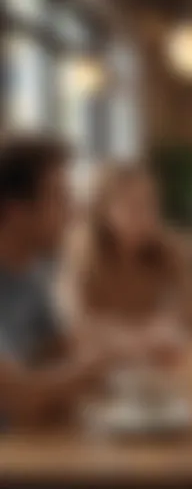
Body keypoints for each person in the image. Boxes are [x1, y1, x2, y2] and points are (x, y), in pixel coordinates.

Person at [56, 164, 192, 366]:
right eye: (133, 205)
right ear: (104, 212)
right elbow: (72, 323)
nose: (147, 215)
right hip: (100, 369)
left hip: (157, 365)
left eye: (151, 204)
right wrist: (131, 336)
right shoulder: (82, 250)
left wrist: (171, 324)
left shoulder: (171, 247)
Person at [0, 134, 107, 426]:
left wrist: (91, 360)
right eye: (60, 198)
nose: (74, 211)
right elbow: (20, 398)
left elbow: (62, 351)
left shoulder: (31, 272)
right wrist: (93, 366)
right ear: (16, 211)